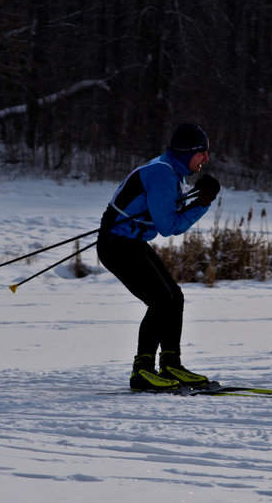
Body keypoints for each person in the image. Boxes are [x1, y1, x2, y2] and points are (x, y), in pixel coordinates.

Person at [97, 123, 221, 391]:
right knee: (161, 300)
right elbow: (169, 227)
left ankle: (171, 364)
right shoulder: (163, 173)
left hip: (130, 241)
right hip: (117, 245)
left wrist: (198, 199)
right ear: (188, 152)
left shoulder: (170, 171)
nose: (206, 158)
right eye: (202, 152)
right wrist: (203, 204)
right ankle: (141, 371)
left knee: (173, 297)